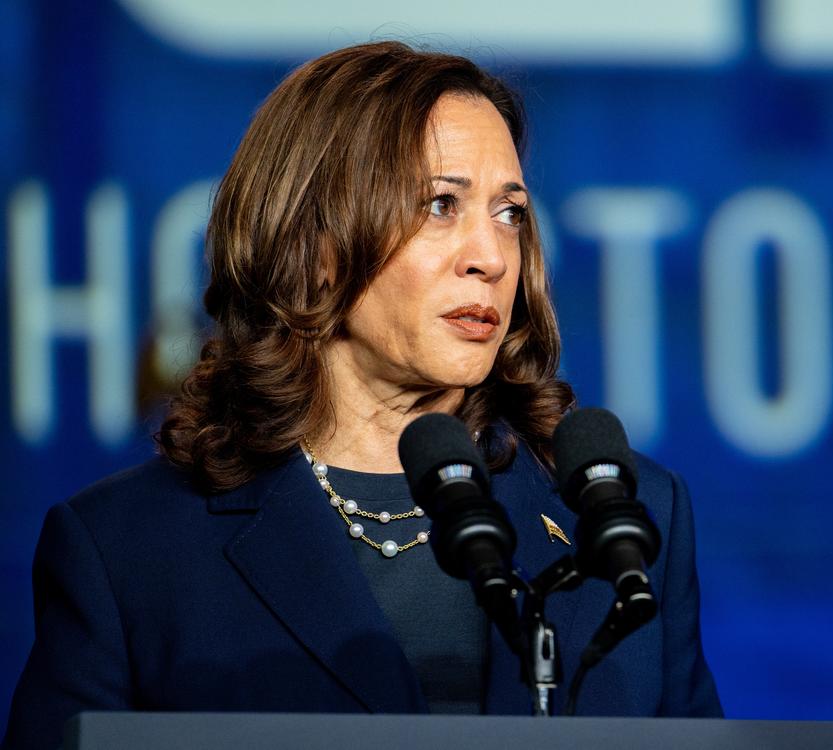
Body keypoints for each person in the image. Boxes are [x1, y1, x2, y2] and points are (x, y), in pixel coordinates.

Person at [2, 41, 721, 749]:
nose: (493, 258)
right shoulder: (129, 552)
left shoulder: (627, 525)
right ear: (312, 244)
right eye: (441, 205)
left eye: (511, 213)